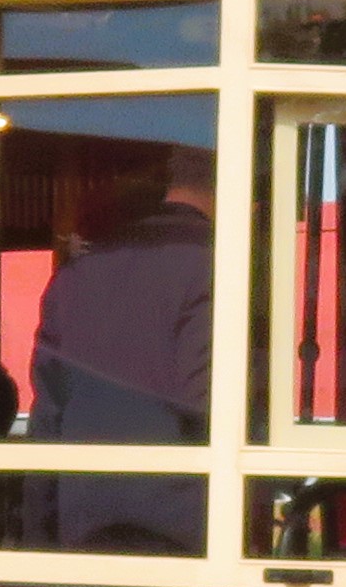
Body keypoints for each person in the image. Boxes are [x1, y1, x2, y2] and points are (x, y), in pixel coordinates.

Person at [26, 171, 214, 441]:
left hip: (78, 474)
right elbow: (201, 399)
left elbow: (49, 409)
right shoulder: (209, 264)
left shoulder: (71, 278)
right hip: (176, 474)